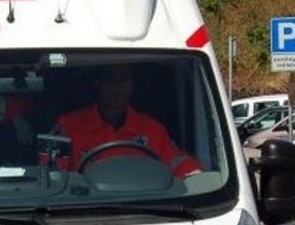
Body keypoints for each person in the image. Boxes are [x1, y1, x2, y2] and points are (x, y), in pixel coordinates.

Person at [52, 65, 201, 177]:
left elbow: (178, 163)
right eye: (110, 80)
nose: (116, 88)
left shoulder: (152, 129)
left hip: (143, 207)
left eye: (122, 81)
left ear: (131, 86)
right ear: (98, 84)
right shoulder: (67, 126)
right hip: (85, 209)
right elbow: (52, 176)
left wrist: (196, 176)